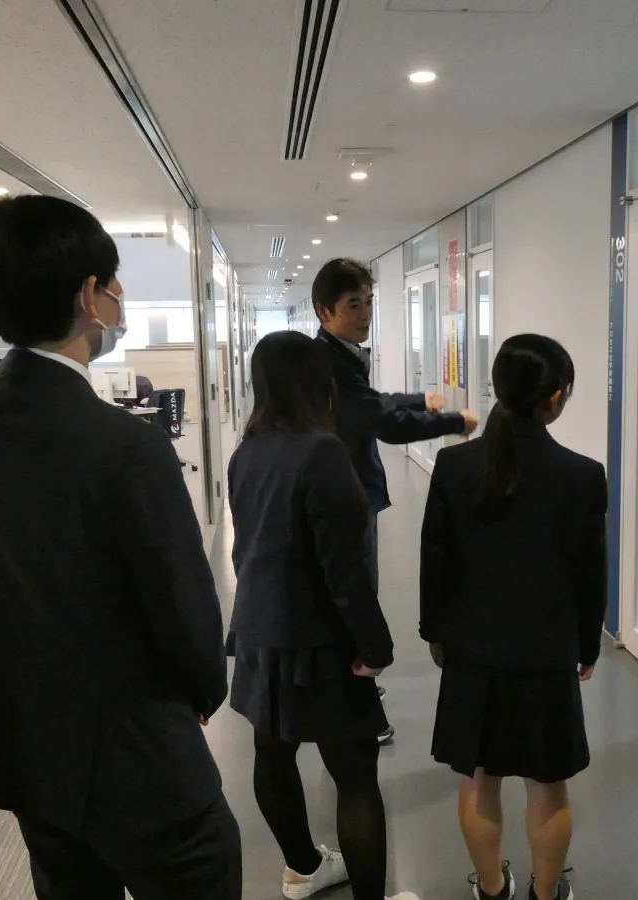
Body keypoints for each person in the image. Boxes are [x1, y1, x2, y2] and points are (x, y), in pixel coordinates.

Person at [0, 195, 239, 900]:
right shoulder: (126, 444)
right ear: (88, 298)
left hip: (33, 751)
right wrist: (204, 688)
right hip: (140, 750)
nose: (119, 295)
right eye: (113, 282)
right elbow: (181, 599)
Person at [226, 330, 420, 900]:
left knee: (272, 753)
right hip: (318, 639)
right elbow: (343, 568)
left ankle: (304, 869)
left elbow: (244, 551)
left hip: (260, 632)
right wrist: (375, 645)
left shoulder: (245, 453)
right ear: (316, 380)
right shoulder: (322, 451)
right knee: (355, 772)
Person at [419, 335, 607, 900]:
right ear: (555, 398)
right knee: (548, 786)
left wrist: (436, 634)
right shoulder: (581, 475)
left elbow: (435, 559)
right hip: (545, 654)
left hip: (473, 651)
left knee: (479, 779)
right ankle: (545, 894)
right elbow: (590, 573)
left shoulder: (454, 465)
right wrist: (587, 646)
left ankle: (491, 888)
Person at [312, 258, 479, 744]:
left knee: (357, 590)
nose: (365, 313)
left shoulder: (340, 353)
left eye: (368, 302)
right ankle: (358, 706)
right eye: (353, 305)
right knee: (356, 593)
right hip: (348, 494)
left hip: (351, 487)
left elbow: (374, 403)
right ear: (324, 311)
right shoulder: (333, 362)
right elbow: (382, 423)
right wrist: (454, 422)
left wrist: (415, 399)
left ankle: (357, 684)